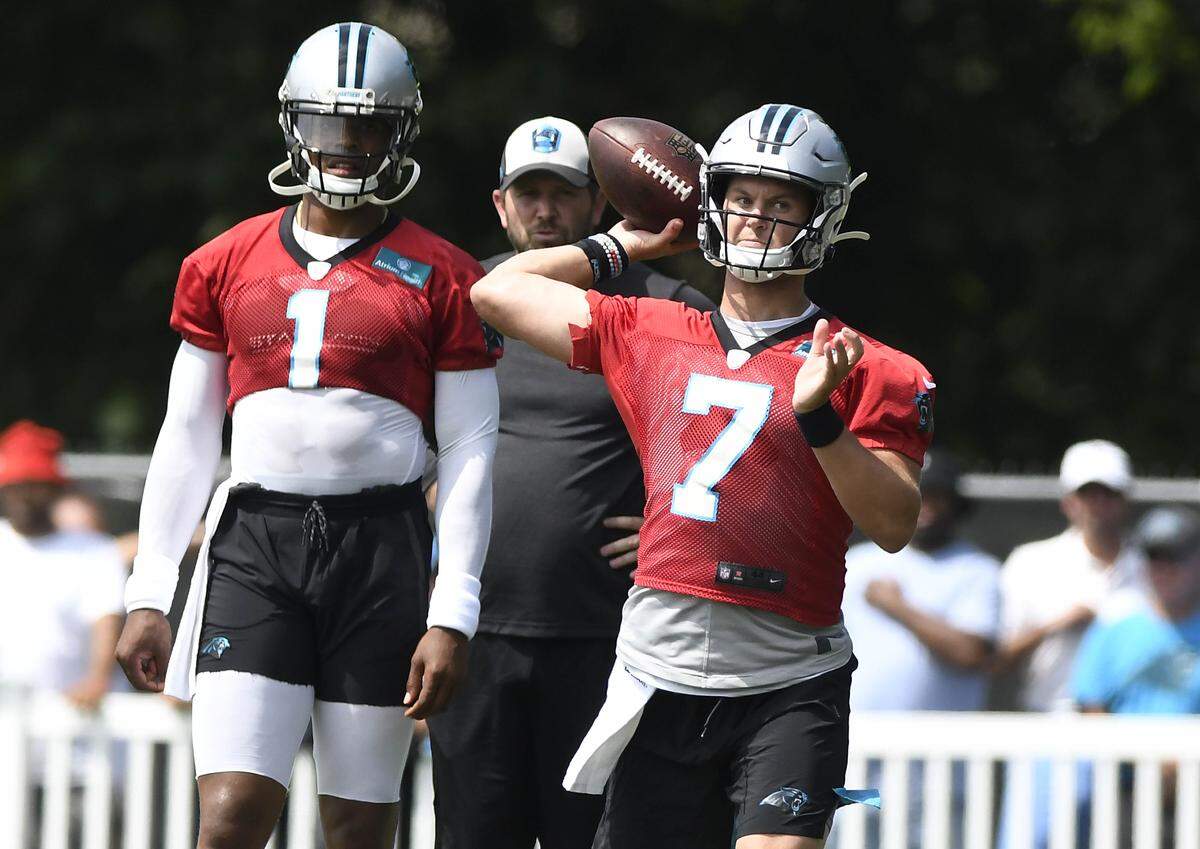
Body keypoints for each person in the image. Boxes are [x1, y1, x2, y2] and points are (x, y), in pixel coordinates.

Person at [471, 104, 935, 849]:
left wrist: (820, 418)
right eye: (741, 199)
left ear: (822, 216)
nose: (754, 221)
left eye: (780, 203)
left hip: (790, 673)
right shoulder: (649, 328)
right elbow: (495, 292)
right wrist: (619, 243)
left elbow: (893, 523)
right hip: (661, 667)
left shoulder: (868, 364)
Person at [114, 23, 500, 849]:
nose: (350, 145)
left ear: (401, 133)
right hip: (256, 541)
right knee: (228, 819)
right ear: (295, 125)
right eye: (331, 124)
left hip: (382, 547)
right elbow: (185, 435)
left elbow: (471, 450)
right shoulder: (224, 259)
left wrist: (453, 610)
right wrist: (151, 591)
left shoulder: (446, 273)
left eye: (369, 127)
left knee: (358, 826)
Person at [427, 116, 712, 849]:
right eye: (530, 194)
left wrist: (673, 524)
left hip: (606, 636)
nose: (546, 209)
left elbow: (731, 445)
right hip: (474, 631)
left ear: (600, 202)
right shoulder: (471, 295)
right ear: (500, 204)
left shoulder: (664, 302)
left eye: (564, 192)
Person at [838, 450, 999, 849]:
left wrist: (898, 607)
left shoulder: (977, 570)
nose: (927, 508)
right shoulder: (855, 563)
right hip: (858, 753)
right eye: (919, 495)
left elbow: (970, 655)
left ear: (955, 506)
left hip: (939, 766)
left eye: (938, 497)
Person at [994, 439, 1146, 849]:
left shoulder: (1153, 568)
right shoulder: (1031, 562)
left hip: (1132, 735)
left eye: (1109, 493)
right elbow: (997, 660)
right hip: (1049, 723)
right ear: (1068, 501)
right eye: (1087, 493)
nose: (1098, 503)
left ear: (1125, 499)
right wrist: (1055, 625)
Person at [1071, 507, 1200, 849]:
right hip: (1125, 792)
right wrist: (1147, 762)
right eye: (1154, 559)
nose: (1163, 570)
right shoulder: (1116, 624)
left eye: (1175, 558)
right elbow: (1090, 707)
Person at [0, 420, 126, 711]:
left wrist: (98, 679)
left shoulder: (95, 551)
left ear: (56, 490)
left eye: (36, 485)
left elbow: (106, 620)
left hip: (75, 721)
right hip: (8, 723)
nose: (25, 497)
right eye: (17, 486)